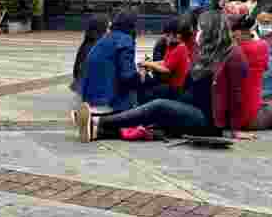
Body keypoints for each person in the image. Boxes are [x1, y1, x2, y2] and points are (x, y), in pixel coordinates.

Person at [77, 10, 252, 142]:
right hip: (192, 107)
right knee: (155, 114)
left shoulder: (233, 56)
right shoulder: (206, 53)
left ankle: (99, 121)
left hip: (208, 119)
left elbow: (238, 95)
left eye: (200, 29)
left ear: (212, 31)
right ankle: (97, 130)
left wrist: (235, 129)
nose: (197, 34)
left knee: (159, 106)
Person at [79, 9, 139, 116]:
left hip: (89, 98)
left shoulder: (106, 38)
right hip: (108, 101)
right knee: (139, 94)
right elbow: (127, 75)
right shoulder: (125, 39)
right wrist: (141, 76)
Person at [138, 15, 193, 102]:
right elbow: (165, 61)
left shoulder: (180, 48)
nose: (165, 38)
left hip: (175, 89)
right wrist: (150, 63)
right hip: (169, 86)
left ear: (176, 35)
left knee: (145, 91)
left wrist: (149, 64)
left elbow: (166, 69)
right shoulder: (171, 46)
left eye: (167, 36)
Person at [69, 15, 108, 126]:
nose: (110, 30)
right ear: (101, 29)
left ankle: (83, 115)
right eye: (108, 27)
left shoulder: (87, 45)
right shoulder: (97, 48)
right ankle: (87, 117)